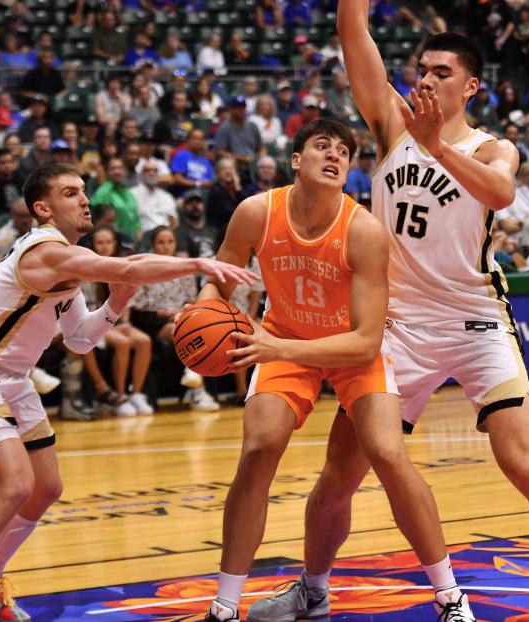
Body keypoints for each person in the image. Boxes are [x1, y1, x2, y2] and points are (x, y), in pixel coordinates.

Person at [249, 10, 529, 622]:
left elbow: (500, 193)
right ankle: (313, 588)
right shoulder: (390, 127)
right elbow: (355, 37)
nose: (427, 81)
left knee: (523, 463)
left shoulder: (492, 147)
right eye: (421, 71)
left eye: (442, 72)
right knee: (339, 474)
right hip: (398, 326)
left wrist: (437, 149)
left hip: (477, 321)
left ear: (471, 86)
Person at [0, 163, 256, 622]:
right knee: (16, 485)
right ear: (43, 208)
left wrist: (116, 301)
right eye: (71, 192)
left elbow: (78, 338)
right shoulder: (45, 252)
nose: (84, 200)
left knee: (47, 488)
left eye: (84, 191)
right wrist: (197, 263)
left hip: (14, 379)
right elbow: (126, 265)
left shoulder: (68, 263)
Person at [197, 117, 464, 622]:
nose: (336, 155)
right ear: (296, 160)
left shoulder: (363, 229)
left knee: (388, 451)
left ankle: (451, 598)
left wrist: (278, 349)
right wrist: (202, 314)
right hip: (285, 337)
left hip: (345, 351)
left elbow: (365, 344)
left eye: (344, 150)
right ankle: (224, 607)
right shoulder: (256, 212)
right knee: (259, 447)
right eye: (323, 146)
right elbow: (222, 279)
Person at [129, 225, 219, 412]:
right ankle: (196, 383)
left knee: (208, 332)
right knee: (180, 331)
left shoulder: (184, 268)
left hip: (181, 317)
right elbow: (137, 307)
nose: (166, 246)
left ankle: (196, 388)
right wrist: (160, 314)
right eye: (161, 242)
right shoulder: (144, 269)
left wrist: (182, 311)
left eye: (170, 242)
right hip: (152, 322)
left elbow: (192, 300)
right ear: (153, 245)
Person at [80, 225, 154, 417]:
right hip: (93, 322)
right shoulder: (86, 269)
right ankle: (119, 397)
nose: (104, 246)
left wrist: (125, 323)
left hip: (116, 322)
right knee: (123, 342)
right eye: (100, 243)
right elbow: (86, 309)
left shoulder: (120, 267)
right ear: (92, 246)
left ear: (115, 244)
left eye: (108, 242)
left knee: (144, 341)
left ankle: (136, 394)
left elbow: (126, 301)